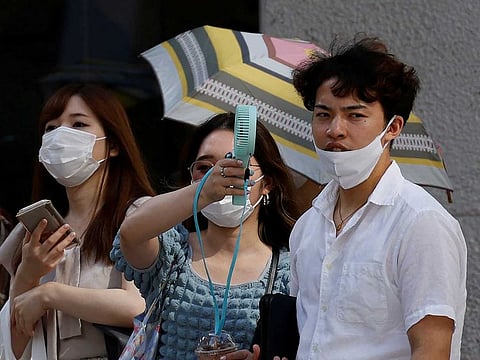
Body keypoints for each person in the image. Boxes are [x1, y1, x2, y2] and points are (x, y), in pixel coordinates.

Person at [284, 36, 467, 359]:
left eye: (355, 115)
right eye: (323, 115)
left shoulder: (420, 222)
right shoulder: (308, 225)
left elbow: (432, 348)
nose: (335, 130)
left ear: (393, 127)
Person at [110, 112, 299, 359]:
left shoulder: (290, 267)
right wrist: (203, 192)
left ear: (267, 183)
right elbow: (131, 233)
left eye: (237, 168)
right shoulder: (174, 251)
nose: (220, 178)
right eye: (204, 168)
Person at [0, 83, 155, 359]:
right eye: (51, 128)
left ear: (114, 145)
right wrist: (28, 274)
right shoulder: (32, 233)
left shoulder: (139, 216)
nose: (61, 135)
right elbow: (15, 348)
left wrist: (50, 294)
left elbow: (139, 305)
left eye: (79, 124)